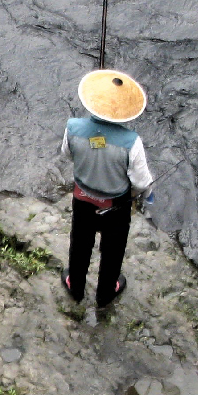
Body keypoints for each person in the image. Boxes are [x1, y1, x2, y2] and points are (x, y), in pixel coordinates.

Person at [60, 69, 154, 307]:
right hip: (116, 207)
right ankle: (105, 293)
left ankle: (76, 285)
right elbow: (142, 183)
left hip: (82, 200)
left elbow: (66, 154)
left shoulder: (72, 127)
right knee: (113, 251)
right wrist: (139, 196)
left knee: (80, 244)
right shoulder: (132, 142)